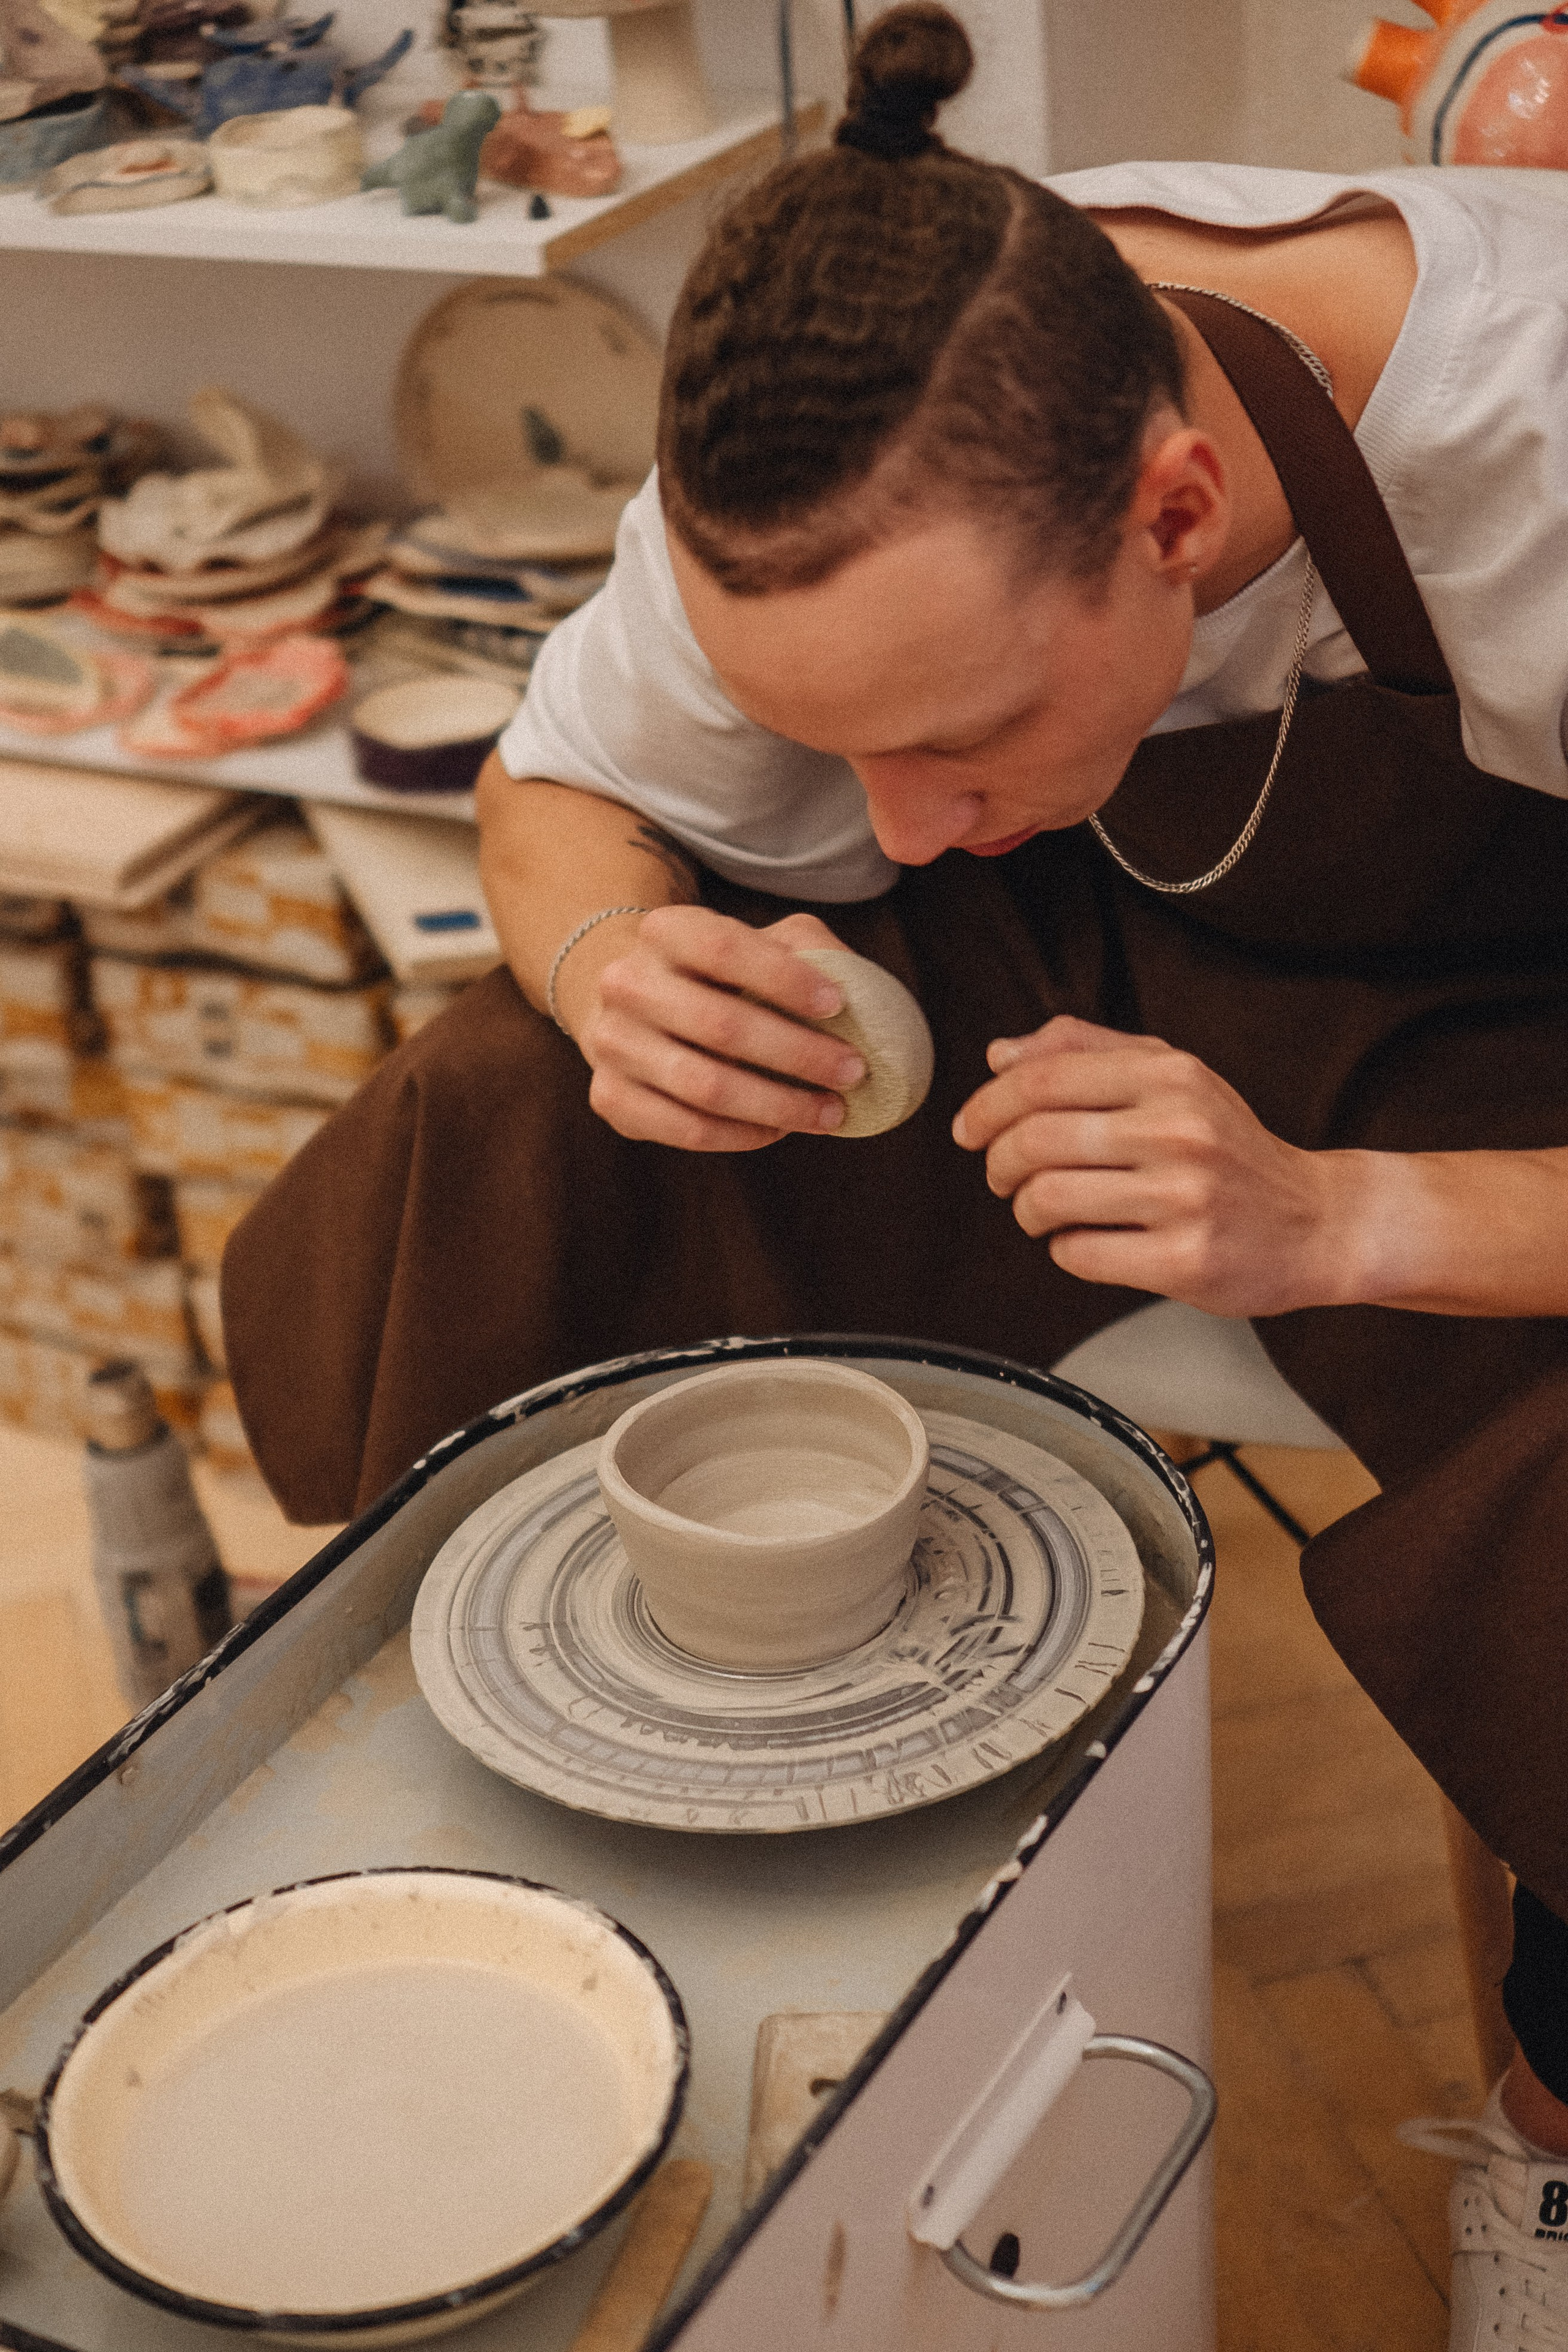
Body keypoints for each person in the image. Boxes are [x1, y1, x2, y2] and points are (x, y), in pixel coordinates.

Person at [223, 10, 1568, 2338]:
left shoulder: (1536, 443)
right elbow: (558, 786)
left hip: (1504, 1003)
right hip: (1107, 918)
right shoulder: (832, 473)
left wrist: (1344, 1223)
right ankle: (533, 1883)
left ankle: (1551, 2143)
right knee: (506, 1126)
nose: (882, 822)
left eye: (943, 739)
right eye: (828, 747)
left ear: (1171, 512)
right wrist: (606, 950)